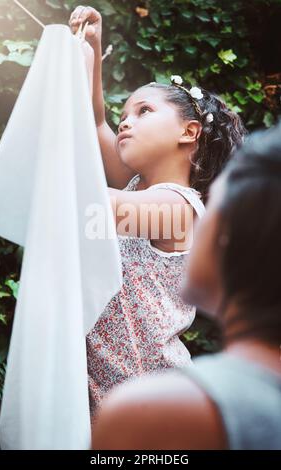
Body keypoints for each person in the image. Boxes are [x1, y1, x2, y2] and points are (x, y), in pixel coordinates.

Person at [69, 6, 246, 418]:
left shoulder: (178, 208)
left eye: (143, 111)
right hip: (106, 397)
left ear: (189, 132)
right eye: (125, 114)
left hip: (151, 400)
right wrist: (94, 47)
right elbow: (96, 122)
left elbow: (95, 208)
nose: (125, 123)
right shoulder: (135, 185)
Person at [92, 123, 281, 450]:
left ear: (234, 237)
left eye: (213, 205)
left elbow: (88, 208)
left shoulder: (157, 413)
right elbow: (96, 123)